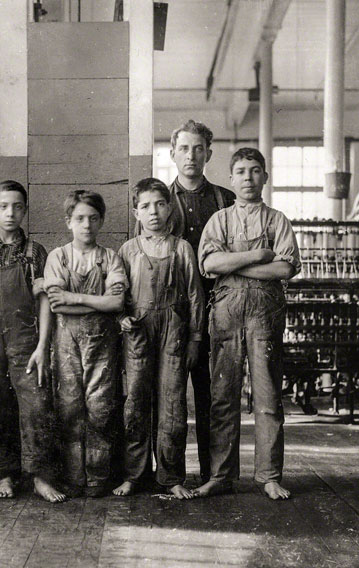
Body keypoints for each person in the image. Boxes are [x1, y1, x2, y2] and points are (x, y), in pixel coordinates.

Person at [195, 148, 301, 500]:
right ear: (231, 179)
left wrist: (233, 263)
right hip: (225, 313)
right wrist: (256, 256)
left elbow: (285, 268)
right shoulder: (220, 221)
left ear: (265, 177)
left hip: (264, 315)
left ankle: (269, 476)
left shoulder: (277, 220)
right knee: (222, 398)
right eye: (240, 171)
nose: (247, 178)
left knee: (268, 398)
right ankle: (221, 475)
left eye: (255, 171)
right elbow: (208, 264)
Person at [0, 180, 66, 503]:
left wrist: (42, 346)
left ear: (25, 210)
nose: (10, 213)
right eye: (3, 207)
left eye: (17, 207)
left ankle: (39, 477)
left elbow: (45, 302)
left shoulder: (35, 251)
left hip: (25, 340)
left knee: (36, 407)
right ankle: (4, 475)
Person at [113, 178, 204, 499]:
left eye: (160, 204)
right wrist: (120, 316)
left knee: (173, 405)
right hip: (137, 335)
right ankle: (134, 475)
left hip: (174, 335)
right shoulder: (127, 251)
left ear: (169, 208)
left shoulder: (182, 249)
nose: (154, 212)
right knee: (135, 402)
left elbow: (195, 296)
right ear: (136, 212)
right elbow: (117, 292)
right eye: (146, 206)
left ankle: (171, 477)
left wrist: (194, 337)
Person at [44, 190, 128, 498]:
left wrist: (74, 297)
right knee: (69, 409)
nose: (87, 225)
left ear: (102, 221)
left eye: (93, 218)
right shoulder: (58, 257)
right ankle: (73, 478)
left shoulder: (110, 258)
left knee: (100, 409)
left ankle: (97, 479)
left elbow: (117, 301)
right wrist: (97, 302)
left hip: (102, 347)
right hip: (66, 344)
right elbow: (56, 305)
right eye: (79, 218)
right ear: (68, 222)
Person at [167, 119, 236, 484]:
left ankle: (217, 476)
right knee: (170, 399)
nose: (191, 156)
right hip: (173, 313)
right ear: (173, 153)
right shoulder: (159, 203)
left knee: (216, 399)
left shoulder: (225, 200)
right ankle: (170, 476)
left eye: (198, 149)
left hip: (219, 311)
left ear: (208, 154)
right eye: (184, 149)